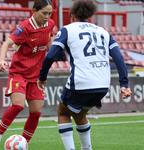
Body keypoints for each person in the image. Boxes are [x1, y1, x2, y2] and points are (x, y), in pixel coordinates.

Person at [37, 0, 132, 150]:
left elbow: (50, 56)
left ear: (72, 16)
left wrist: (42, 77)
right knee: (80, 115)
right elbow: (119, 58)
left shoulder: (67, 30)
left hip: (82, 81)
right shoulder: (103, 32)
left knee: (63, 113)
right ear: (89, 16)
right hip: (102, 84)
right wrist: (124, 84)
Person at [0, 0, 54, 149]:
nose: (47, 16)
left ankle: (22, 145)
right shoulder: (25, 28)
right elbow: (7, 44)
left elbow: (50, 36)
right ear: (34, 10)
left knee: (36, 112)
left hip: (37, 75)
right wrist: (2, 61)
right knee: (18, 106)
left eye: (49, 13)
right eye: (44, 13)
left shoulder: (50, 24)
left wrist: (52, 50)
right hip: (19, 72)